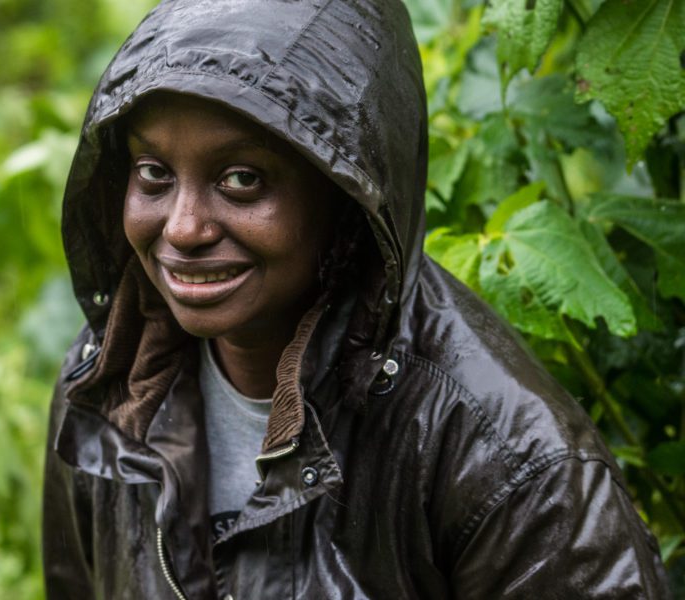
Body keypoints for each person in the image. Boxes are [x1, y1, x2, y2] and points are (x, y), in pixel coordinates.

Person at [41, 0, 672, 597]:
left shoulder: (503, 463)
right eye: (153, 173)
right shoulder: (108, 387)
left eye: (241, 180)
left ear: (347, 190)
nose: (182, 228)